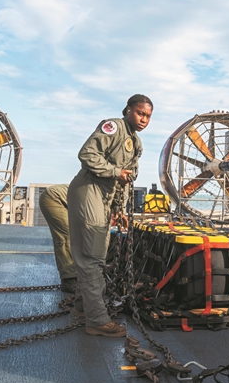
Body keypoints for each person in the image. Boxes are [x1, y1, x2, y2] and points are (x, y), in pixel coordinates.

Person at [68, 94, 152, 337]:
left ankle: (83, 307)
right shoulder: (113, 127)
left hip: (104, 197)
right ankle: (96, 320)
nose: (144, 119)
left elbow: (124, 181)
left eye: (148, 116)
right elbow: (87, 154)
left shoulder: (135, 143)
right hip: (89, 190)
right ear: (128, 111)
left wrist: (120, 210)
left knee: (98, 255)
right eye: (140, 113)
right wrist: (115, 171)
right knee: (91, 257)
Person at [39, 184, 77, 293]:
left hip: (62, 199)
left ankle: (74, 274)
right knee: (66, 237)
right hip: (53, 198)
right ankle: (69, 280)